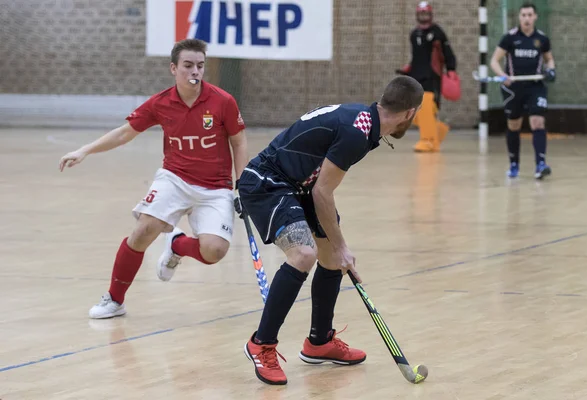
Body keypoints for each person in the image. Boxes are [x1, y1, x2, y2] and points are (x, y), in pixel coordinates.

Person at [237, 76, 424, 385]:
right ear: (410, 113)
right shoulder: (357, 132)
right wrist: (341, 246)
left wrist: (338, 249)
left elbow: (319, 189)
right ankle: (261, 344)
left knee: (331, 257)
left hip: (300, 186)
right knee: (304, 253)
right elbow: (323, 192)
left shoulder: (365, 122)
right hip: (267, 182)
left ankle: (319, 342)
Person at [58, 39, 248, 319]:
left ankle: (177, 244)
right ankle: (114, 299)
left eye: (200, 66)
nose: (194, 71)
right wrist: (84, 150)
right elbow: (125, 133)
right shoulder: (161, 103)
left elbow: (239, 141)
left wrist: (241, 186)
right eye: (187, 66)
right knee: (145, 230)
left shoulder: (223, 101)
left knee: (214, 251)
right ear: (173, 68)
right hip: (175, 178)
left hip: (215, 187)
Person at [490, 2, 556, 179]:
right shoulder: (510, 38)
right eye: (523, 15)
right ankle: (514, 164)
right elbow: (494, 61)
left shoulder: (542, 39)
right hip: (513, 89)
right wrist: (503, 76)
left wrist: (550, 70)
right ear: (519, 17)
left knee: (537, 122)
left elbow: (549, 59)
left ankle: (540, 165)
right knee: (514, 125)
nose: (527, 19)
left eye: (530, 15)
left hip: (535, 86)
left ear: (535, 17)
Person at [397, 1, 458, 153]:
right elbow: (416, 57)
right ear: (417, 15)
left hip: (432, 77)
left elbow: (448, 53)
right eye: (421, 14)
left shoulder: (438, 32)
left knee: (426, 109)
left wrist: (451, 70)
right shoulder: (414, 34)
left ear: (430, 15)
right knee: (415, 112)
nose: (424, 17)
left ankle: (428, 141)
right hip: (416, 77)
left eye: (426, 13)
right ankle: (438, 131)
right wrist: (408, 69)